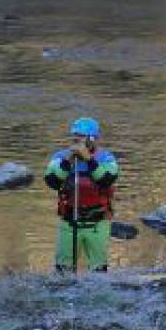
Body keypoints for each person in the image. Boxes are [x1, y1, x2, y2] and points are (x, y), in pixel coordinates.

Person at [44, 117, 119, 273]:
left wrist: (89, 160)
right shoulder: (60, 157)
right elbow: (52, 182)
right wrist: (67, 162)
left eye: (82, 136)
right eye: (75, 135)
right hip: (69, 223)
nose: (76, 139)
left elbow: (106, 180)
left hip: (97, 224)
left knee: (98, 270)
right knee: (63, 270)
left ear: (93, 139)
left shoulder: (107, 158)